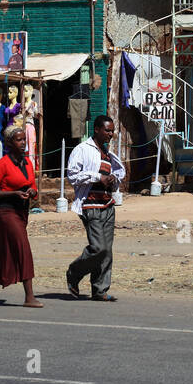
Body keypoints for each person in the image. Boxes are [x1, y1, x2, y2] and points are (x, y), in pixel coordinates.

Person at [0, 125, 42, 308]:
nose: (23, 143)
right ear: (10, 143)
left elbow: (33, 186)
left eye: (24, 139)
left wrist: (31, 192)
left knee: (4, 252)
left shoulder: (27, 162)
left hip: (22, 212)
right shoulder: (3, 163)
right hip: (6, 212)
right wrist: (13, 194)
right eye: (19, 140)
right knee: (23, 247)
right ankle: (29, 297)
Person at [66, 114, 125, 301]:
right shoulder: (82, 149)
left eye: (112, 131)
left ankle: (100, 289)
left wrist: (113, 180)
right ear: (97, 130)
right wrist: (98, 177)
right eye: (107, 130)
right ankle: (74, 273)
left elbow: (114, 178)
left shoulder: (108, 154)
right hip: (90, 205)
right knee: (98, 247)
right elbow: (73, 176)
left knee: (107, 250)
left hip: (107, 204)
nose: (111, 134)